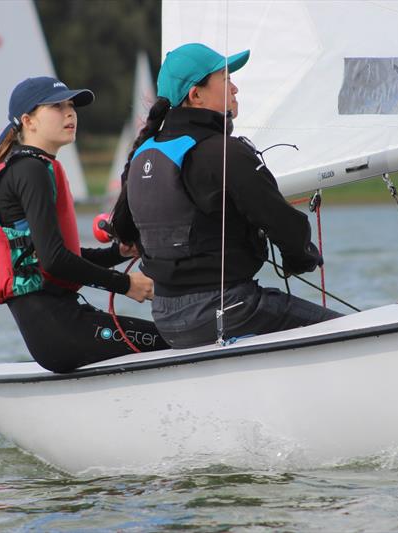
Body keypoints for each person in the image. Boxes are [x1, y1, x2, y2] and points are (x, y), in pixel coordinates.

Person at [112, 44, 343, 349]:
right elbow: (287, 226)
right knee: (348, 331)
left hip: (167, 319)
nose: (235, 87)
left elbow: (123, 229)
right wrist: (301, 258)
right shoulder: (224, 152)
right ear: (196, 95)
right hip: (231, 311)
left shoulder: (142, 155)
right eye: (225, 79)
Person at [0, 76, 169, 373]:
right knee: (168, 341)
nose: (70, 113)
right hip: (61, 330)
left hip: (56, 328)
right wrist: (126, 284)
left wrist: (121, 253)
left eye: (71, 106)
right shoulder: (30, 170)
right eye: (57, 106)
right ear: (29, 121)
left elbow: (55, 255)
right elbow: (54, 261)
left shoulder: (28, 167)